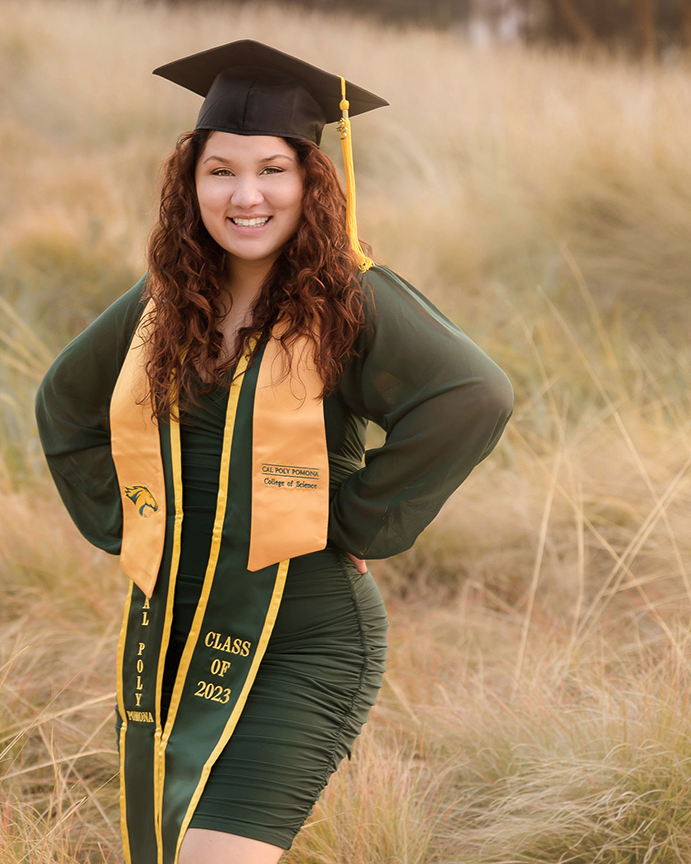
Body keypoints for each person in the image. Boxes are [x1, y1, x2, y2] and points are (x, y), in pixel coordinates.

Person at [36, 40, 513, 864]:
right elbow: (64, 404)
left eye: (272, 170)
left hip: (304, 640)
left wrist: (352, 521)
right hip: (171, 631)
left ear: (311, 182)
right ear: (191, 183)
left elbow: (472, 395)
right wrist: (140, 523)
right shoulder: (165, 302)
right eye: (220, 170)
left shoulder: (350, 298)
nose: (245, 195)